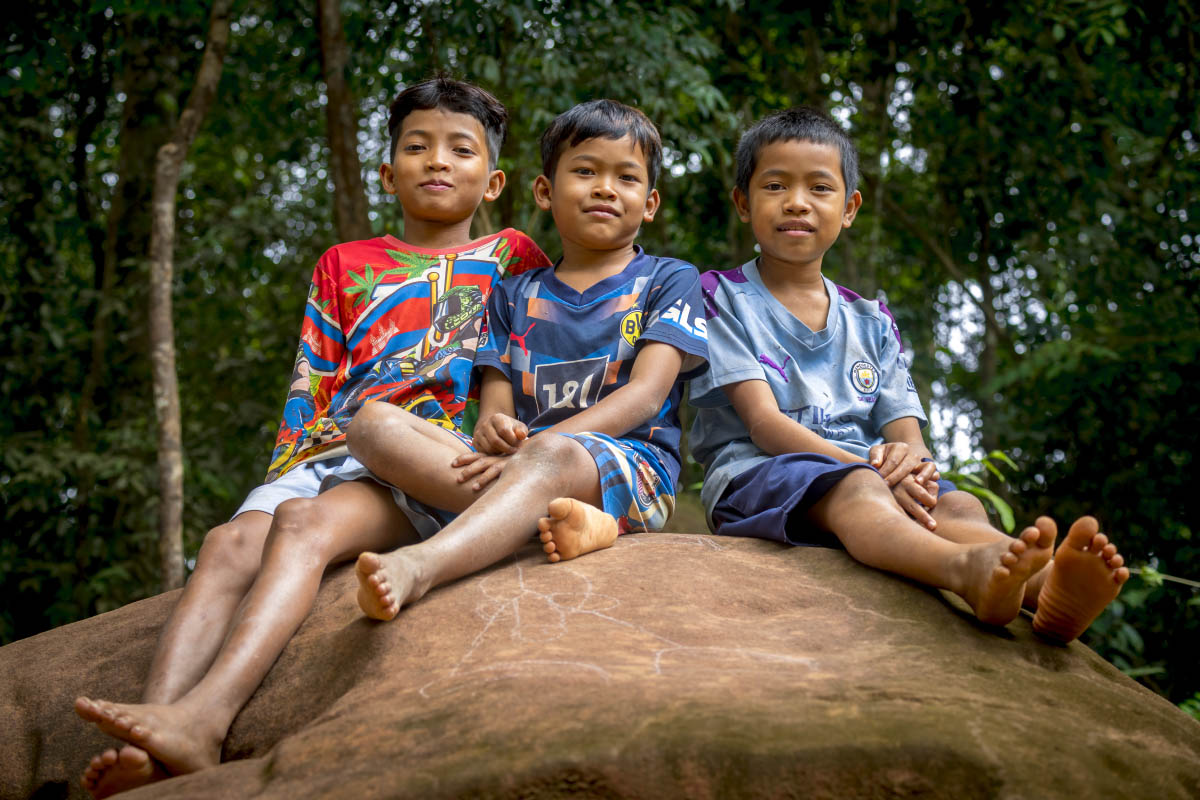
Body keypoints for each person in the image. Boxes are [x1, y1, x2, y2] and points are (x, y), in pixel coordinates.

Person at [73, 77, 550, 797]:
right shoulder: (343, 263)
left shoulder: (513, 255)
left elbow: (528, 359)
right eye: (417, 147)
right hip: (334, 444)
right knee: (228, 544)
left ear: (494, 181)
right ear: (387, 173)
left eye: (461, 149)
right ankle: (154, 729)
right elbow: (312, 379)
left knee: (303, 524)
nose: (437, 161)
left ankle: (205, 719)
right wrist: (286, 470)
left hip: (427, 454)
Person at [688, 106, 1128, 639]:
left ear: (849, 208)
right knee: (858, 490)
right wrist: (873, 469)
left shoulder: (871, 320)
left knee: (958, 503)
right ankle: (962, 571)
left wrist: (912, 472)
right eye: (775, 185)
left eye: (820, 188)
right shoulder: (720, 296)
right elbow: (764, 425)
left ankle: (1045, 585)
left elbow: (909, 439)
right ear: (743, 202)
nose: (797, 202)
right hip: (758, 476)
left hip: (870, 476)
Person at [347, 98, 708, 622]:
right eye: (585, 171)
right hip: (524, 465)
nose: (605, 188)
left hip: (632, 469)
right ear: (544, 191)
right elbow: (497, 412)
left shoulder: (668, 279)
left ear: (649, 203)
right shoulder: (512, 294)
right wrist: (497, 431)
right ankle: (552, 520)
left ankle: (423, 565)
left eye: (626, 178)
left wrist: (538, 448)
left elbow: (647, 395)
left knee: (554, 454)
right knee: (371, 425)